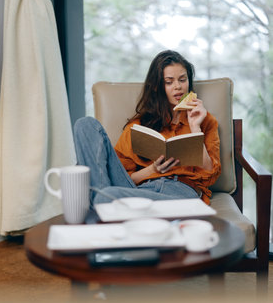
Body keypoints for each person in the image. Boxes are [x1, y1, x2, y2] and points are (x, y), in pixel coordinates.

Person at [73, 50, 221, 206]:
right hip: (140, 189)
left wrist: (195, 129)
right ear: (157, 86)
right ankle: (102, 199)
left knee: (108, 196)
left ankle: (101, 202)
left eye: (182, 80)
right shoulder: (138, 126)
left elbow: (210, 176)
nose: (178, 87)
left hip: (180, 192)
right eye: (169, 82)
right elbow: (122, 177)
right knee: (85, 124)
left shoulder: (205, 120)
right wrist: (153, 170)